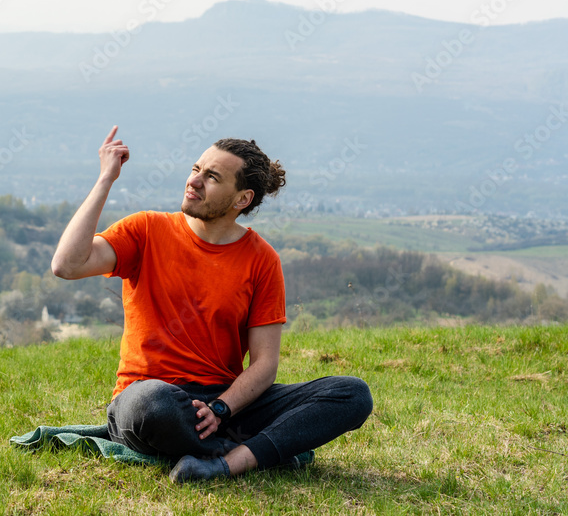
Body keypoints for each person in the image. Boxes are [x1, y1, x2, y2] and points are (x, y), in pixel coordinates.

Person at [50, 126, 373, 483]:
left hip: (226, 405)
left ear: (242, 199)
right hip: (149, 397)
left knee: (351, 394)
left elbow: (264, 366)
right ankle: (255, 451)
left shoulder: (262, 260)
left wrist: (221, 408)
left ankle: (222, 464)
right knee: (153, 404)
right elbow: (67, 265)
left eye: (212, 177)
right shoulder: (146, 230)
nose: (195, 181)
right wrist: (105, 179)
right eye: (195, 169)